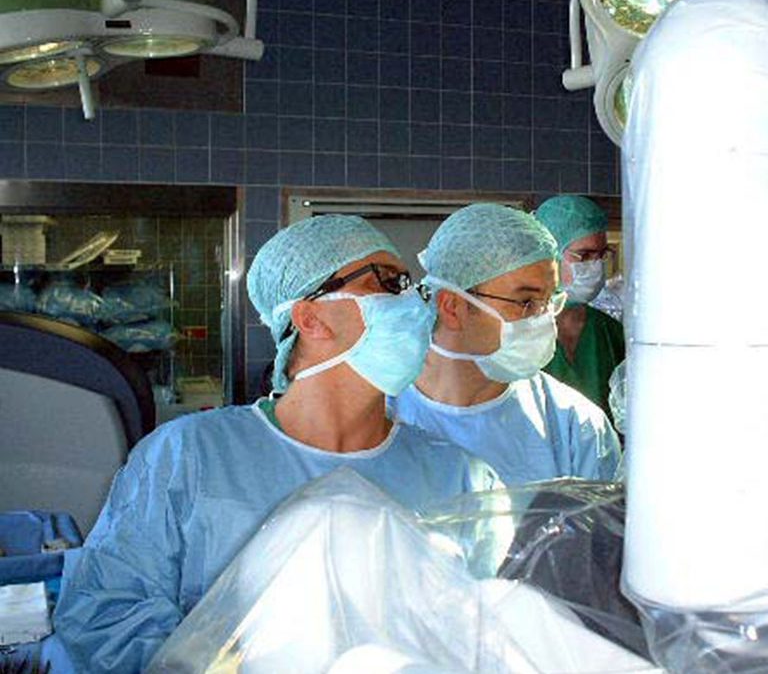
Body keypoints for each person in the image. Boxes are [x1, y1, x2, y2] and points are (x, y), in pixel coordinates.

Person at [53, 215, 501, 673]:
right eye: (387, 282)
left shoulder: (460, 477)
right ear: (309, 317)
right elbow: (106, 615)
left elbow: (491, 631)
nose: (415, 303)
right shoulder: (189, 457)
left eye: (410, 285)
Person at [389, 203, 622, 486]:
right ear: (452, 307)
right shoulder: (380, 415)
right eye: (527, 302)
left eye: (550, 301)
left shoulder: (575, 427)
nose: (544, 318)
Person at [535, 195, 626, 418]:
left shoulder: (610, 332)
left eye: (601, 255)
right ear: (550, 257)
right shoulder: (520, 332)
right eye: (584, 256)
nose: (596, 266)